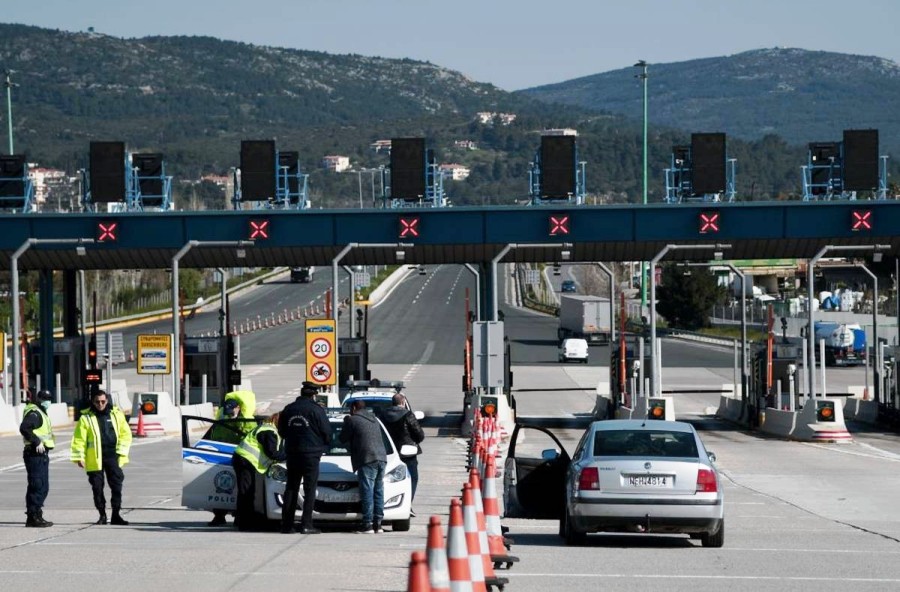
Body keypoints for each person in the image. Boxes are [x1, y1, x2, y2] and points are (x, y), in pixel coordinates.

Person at [70, 389, 132, 525]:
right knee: (97, 488)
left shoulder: (116, 415)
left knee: (116, 486)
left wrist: (120, 452)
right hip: (94, 459)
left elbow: (125, 434)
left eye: (103, 401)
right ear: (93, 402)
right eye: (97, 402)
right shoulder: (85, 418)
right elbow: (79, 439)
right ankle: (102, 515)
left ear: (107, 401)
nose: (100, 404)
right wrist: (79, 457)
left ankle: (116, 514)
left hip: (112, 457)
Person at [278, 381, 331, 534]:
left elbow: (281, 431)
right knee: (309, 489)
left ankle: (287, 525)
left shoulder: (288, 409)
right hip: (311, 455)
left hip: (292, 453)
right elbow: (327, 432)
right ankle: (306, 524)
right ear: (313, 395)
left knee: (291, 488)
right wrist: (322, 444)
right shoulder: (316, 410)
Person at [208, 390, 257, 527]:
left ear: (239, 408)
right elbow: (214, 438)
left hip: (241, 459)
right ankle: (219, 515)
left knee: (240, 489)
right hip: (222, 457)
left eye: (232, 410)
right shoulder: (221, 422)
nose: (230, 413)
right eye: (227, 410)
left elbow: (251, 440)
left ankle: (239, 515)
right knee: (221, 486)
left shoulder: (247, 422)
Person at [232, 413, 285, 531]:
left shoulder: (266, 428)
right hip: (245, 460)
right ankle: (244, 523)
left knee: (246, 491)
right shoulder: (269, 432)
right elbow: (272, 453)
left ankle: (241, 520)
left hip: (244, 460)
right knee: (247, 492)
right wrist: (289, 455)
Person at [340, 400, 387, 534]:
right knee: (378, 490)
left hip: (367, 458)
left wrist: (346, 423)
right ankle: (378, 523)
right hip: (382, 458)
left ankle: (367, 524)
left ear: (354, 408)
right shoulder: (374, 419)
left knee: (367, 490)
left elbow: (343, 438)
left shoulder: (353, 420)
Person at [381, 393, 424, 517]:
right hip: (407, 453)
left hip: (387, 452)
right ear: (403, 402)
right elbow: (419, 435)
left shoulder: (382, 415)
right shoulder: (408, 415)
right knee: (412, 478)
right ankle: (406, 504)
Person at [20, 389, 55, 527]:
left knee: (43, 486)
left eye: (49, 398)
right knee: (37, 485)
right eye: (45, 398)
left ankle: (37, 513)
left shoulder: (42, 412)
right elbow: (24, 428)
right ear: (39, 399)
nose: (47, 401)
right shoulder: (35, 413)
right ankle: (32, 516)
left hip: (42, 454)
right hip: (34, 453)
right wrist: (36, 441)